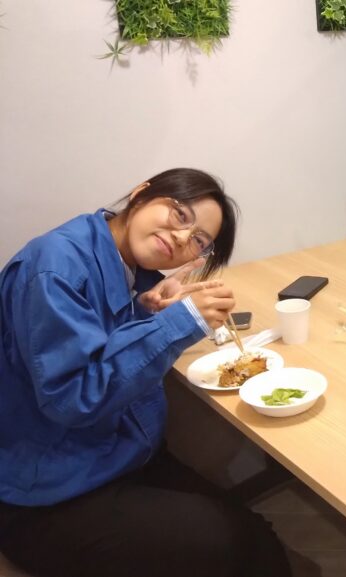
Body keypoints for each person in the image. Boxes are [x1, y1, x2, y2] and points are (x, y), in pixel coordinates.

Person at [0, 169, 291, 577]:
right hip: (47, 496)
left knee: (254, 535)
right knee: (231, 540)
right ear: (141, 193)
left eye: (199, 241)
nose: (181, 237)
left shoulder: (128, 268)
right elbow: (72, 397)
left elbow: (98, 346)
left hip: (117, 458)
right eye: (179, 214)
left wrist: (146, 311)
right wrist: (179, 323)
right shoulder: (56, 266)